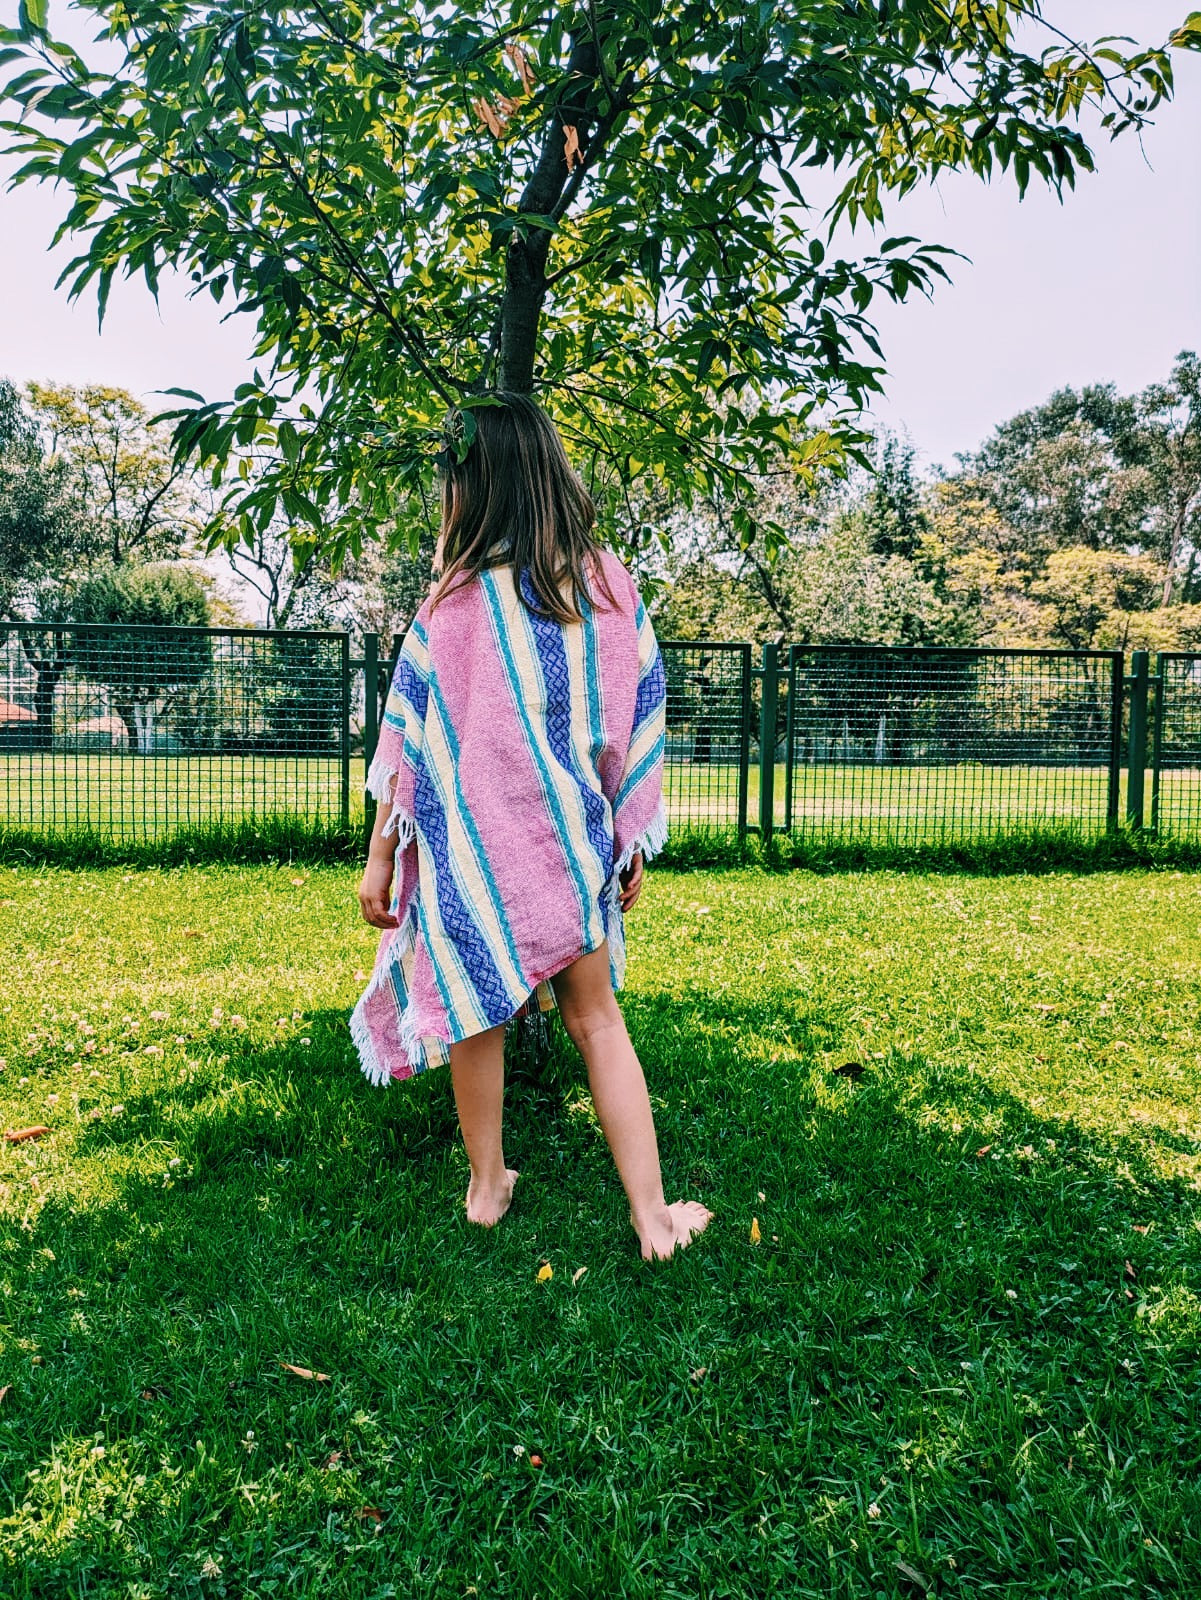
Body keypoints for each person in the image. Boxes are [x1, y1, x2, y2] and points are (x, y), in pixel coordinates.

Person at [351, 392, 712, 1261]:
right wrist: (623, 835)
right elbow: (634, 715)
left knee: (476, 1015)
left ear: (471, 489)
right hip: (568, 842)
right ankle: (653, 1218)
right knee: (597, 1020)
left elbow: (406, 739)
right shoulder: (605, 588)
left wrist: (379, 857)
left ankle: (487, 1188)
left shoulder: (453, 602)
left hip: (468, 851)